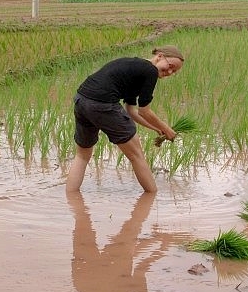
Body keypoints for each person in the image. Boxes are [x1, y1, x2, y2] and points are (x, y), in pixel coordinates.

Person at [66, 45, 185, 192]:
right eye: (170, 66)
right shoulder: (150, 70)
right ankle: (152, 198)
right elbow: (144, 111)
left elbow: (131, 111)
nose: (170, 71)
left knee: (82, 155)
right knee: (136, 155)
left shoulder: (135, 68)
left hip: (82, 100)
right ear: (160, 56)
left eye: (174, 71)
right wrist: (166, 128)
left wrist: (158, 129)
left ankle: (71, 201)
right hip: (103, 103)